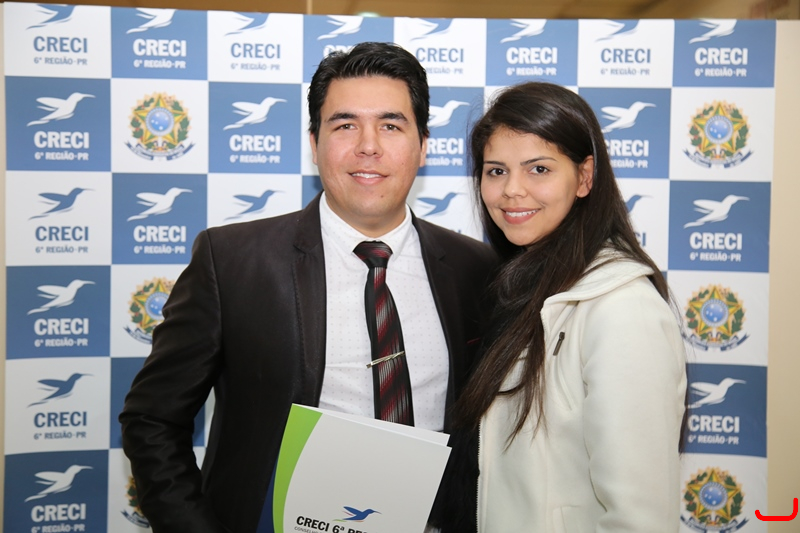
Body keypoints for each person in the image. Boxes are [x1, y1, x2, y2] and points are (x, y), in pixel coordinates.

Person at [119, 42, 497, 533]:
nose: (368, 146)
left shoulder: (475, 267)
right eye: (345, 125)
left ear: (423, 145)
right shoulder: (231, 261)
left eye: (391, 125)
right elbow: (152, 420)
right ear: (314, 143)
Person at [453, 81, 687, 532]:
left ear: (584, 177)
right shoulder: (518, 289)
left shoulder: (621, 308)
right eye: (496, 171)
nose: (511, 190)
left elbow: (638, 518)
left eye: (539, 169)